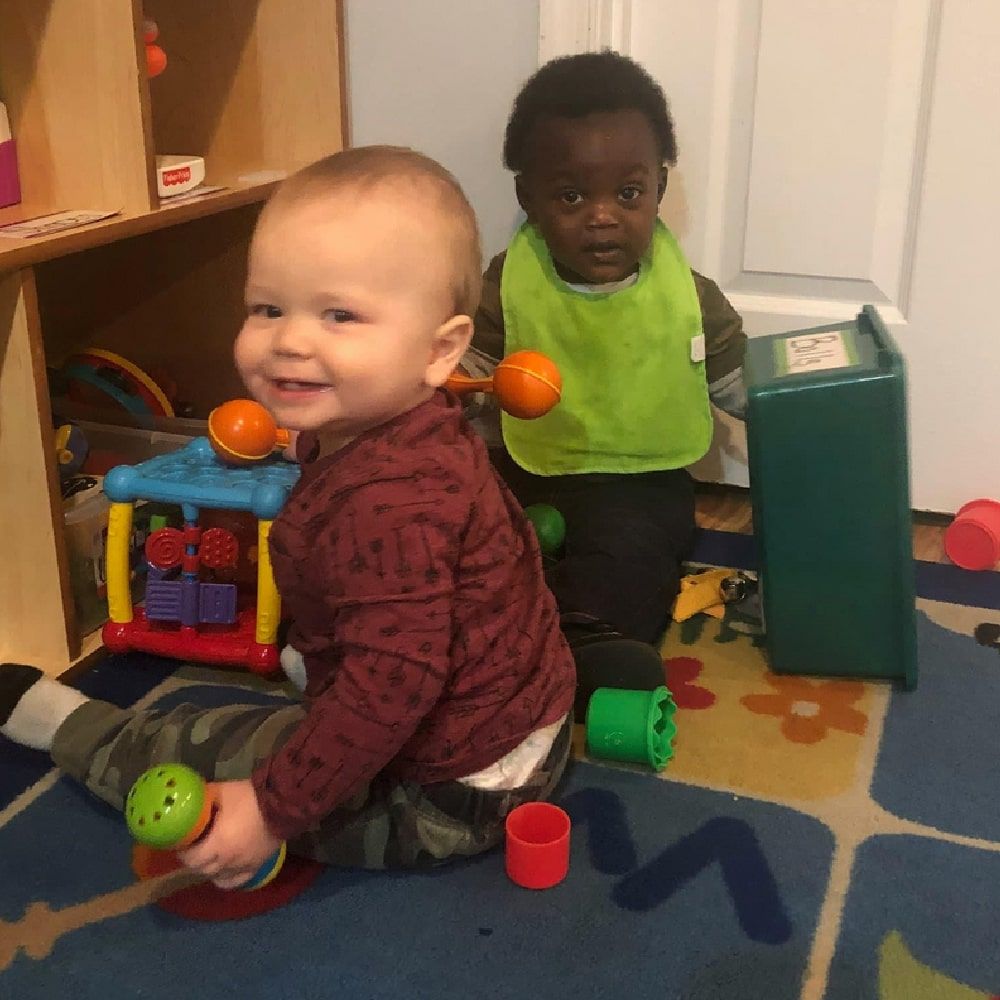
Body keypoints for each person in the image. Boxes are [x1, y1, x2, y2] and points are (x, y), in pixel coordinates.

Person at [0, 147, 575, 887]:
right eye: (267, 308)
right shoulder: (407, 426)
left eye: (340, 315)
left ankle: (62, 725)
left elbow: (392, 683)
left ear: (441, 351)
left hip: (450, 793)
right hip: (525, 719)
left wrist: (270, 810)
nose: (291, 339)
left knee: (199, 745)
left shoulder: (392, 503)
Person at [462, 51, 747, 712]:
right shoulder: (507, 285)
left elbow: (740, 382)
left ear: (659, 188)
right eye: (569, 195)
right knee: (472, 537)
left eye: (628, 193)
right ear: (527, 196)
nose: (600, 216)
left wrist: (807, 427)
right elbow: (467, 378)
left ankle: (579, 642)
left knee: (634, 558)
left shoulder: (688, 296)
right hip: (524, 472)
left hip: (640, 485)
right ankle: (476, 627)